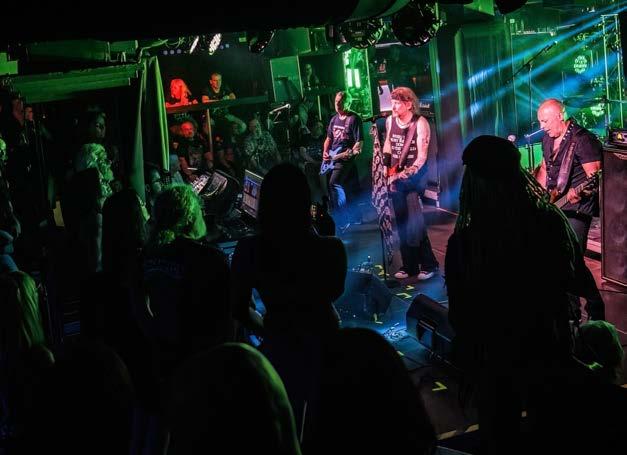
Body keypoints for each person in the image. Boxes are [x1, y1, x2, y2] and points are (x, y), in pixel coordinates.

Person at [444, 135, 602, 454]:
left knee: (500, 435)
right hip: (545, 346)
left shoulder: (465, 241)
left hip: (494, 359)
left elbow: (460, 313)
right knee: (552, 432)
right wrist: (593, 307)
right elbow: (575, 275)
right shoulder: (546, 221)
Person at [535, 98, 605, 321]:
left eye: (545, 121)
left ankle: (595, 305)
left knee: (571, 258)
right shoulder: (548, 138)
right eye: (540, 121)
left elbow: (595, 177)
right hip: (557, 204)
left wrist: (580, 193)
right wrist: (539, 196)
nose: (542, 126)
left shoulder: (583, 140)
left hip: (578, 208)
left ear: (560, 116)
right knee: (558, 259)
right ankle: (571, 313)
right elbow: (545, 168)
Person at [382, 86, 438, 280]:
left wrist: (405, 173)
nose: (393, 106)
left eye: (397, 103)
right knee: (401, 220)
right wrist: (386, 166)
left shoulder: (420, 123)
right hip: (396, 177)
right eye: (392, 102)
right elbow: (389, 144)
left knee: (414, 220)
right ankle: (409, 265)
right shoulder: (390, 121)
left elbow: (421, 157)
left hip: (415, 177)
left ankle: (429, 264)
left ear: (409, 104)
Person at [321, 91, 363, 232]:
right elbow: (329, 138)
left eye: (340, 102)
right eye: (336, 102)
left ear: (348, 103)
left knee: (334, 183)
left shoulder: (354, 119)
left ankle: (343, 220)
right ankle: (354, 217)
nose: (337, 104)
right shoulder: (334, 119)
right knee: (347, 187)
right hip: (332, 158)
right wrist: (325, 152)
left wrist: (350, 152)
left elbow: (359, 143)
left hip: (344, 159)